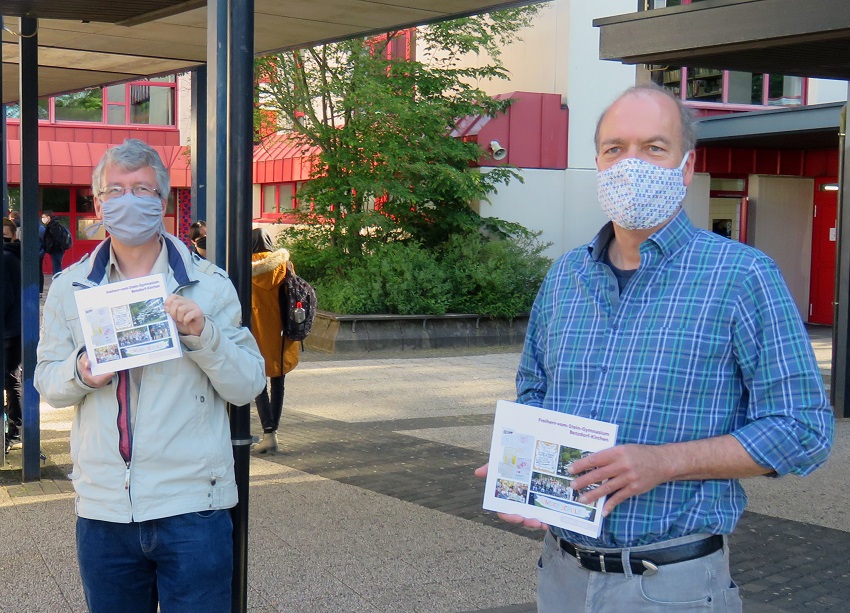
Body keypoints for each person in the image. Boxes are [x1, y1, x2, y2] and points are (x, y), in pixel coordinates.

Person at [475, 85, 834, 612]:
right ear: (597, 163)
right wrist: (525, 472)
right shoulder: (565, 276)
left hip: (671, 584)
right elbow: (535, 393)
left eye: (654, 147)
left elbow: (803, 429)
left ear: (686, 167)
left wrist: (663, 462)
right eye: (615, 149)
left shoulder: (741, 276)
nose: (631, 163)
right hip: (561, 574)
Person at [34, 139, 266, 612]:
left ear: (161, 202)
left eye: (141, 189)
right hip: (104, 512)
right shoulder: (69, 288)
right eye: (115, 190)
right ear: (98, 203)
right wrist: (81, 371)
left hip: (192, 507)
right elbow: (46, 382)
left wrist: (204, 334)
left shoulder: (210, 284)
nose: (128, 200)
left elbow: (248, 384)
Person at [250, 227, 299, 454]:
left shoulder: (245, 266)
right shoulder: (285, 265)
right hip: (281, 330)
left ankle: (268, 431)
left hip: (256, 329)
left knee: (259, 381)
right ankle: (273, 433)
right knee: (278, 379)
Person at [2, 218, 22, 451]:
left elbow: (5, 296)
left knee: (8, 378)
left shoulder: (6, 258)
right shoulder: (17, 255)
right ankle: (15, 425)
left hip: (9, 328)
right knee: (10, 377)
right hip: (16, 326)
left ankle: (14, 427)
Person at [41, 210, 68, 274]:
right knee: (56, 267)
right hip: (56, 251)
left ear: (49, 217)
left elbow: (57, 239)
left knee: (57, 269)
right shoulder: (52, 225)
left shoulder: (53, 227)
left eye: (44, 217)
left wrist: (51, 248)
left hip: (56, 251)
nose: (42, 219)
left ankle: (57, 281)